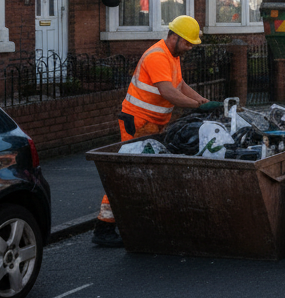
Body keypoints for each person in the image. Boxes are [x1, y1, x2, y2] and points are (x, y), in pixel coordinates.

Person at [92, 15, 222, 248]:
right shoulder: (157, 56)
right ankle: (104, 227)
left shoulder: (172, 56)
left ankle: (135, 223)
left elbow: (179, 85)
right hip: (138, 123)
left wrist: (201, 99)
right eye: (187, 43)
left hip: (152, 124)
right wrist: (198, 106)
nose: (190, 48)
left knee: (141, 172)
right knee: (126, 172)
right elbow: (168, 93)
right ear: (174, 37)